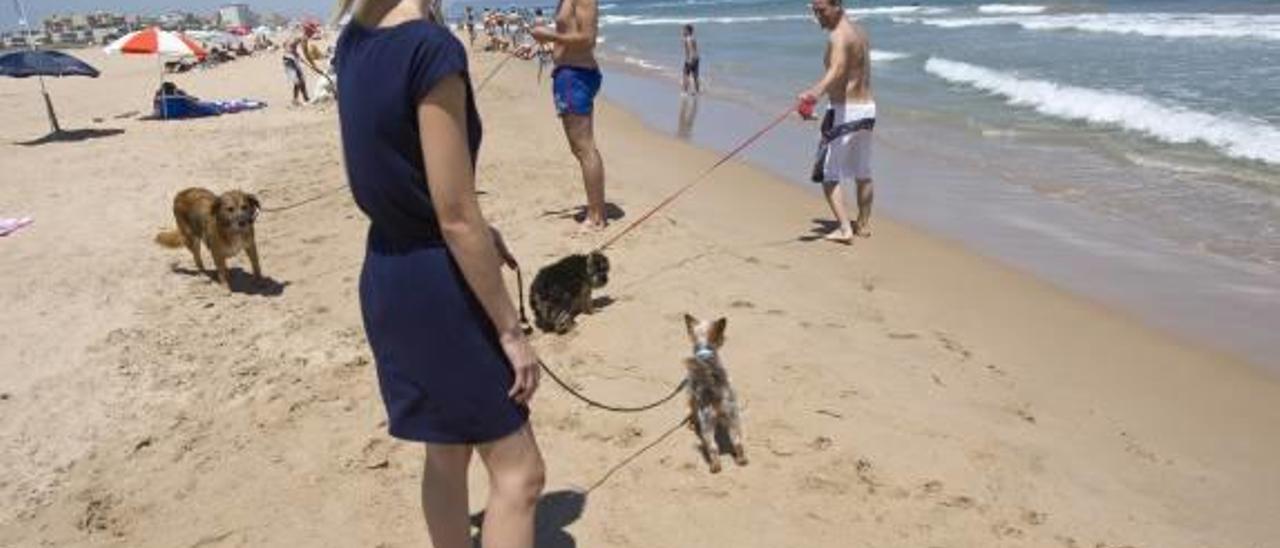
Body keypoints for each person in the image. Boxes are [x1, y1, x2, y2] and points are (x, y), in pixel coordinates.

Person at [332, 1, 546, 547]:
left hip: (387, 267)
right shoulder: (429, 48)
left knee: (447, 452)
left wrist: (476, 227)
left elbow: (400, 170)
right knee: (519, 473)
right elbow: (454, 215)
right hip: (438, 284)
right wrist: (510, 331)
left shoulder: (354, 40)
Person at [800, 0, 876, 243]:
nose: (817, 16)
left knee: (827, 174)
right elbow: (851, 70)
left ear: (837, 6)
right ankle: (862, 225)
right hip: (867, 109)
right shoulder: (859, 32)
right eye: (814, 10)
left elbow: (837, 69)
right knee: (863, 172)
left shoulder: (838, 36)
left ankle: (845, 229)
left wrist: (813, 94)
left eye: (821, 10)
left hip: (844, 111)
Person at [531, 0, 607, 230]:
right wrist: (540, 47)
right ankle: (596, 210)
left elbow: (588, 39)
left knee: (584, 147)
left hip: (576, 76)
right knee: (581, 148)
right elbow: (568, 35)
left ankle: (596, 217)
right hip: (571, 74)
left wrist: (550, 35)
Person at [681, 24, 700, 95]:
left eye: (684, 30)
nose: (683, 32)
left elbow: (690, 50)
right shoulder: (693, 38)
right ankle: (697, 91)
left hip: (691, 59)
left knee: (685, 75)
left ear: (688, 31)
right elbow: (695, 50)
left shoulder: (687, 39)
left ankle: (685, 92)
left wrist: (689, 59)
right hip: (696, 58)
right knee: (695, 76)